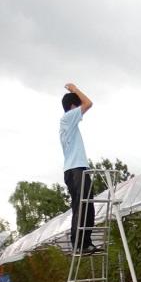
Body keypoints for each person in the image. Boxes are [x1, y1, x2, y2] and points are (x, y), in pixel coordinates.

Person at [59, 82, 97, 254]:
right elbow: (88, 103)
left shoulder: (68, 125)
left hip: (74, 169)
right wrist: (75, 90)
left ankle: (84, 242)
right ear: (73, 107)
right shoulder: (67, 118)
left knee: (84, 205)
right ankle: (79, 244)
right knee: (83, 206)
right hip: (76, 170)